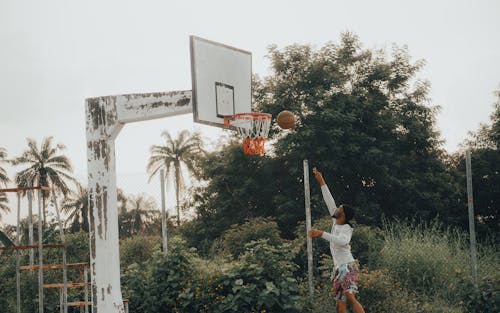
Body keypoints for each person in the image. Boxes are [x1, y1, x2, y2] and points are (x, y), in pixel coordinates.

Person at [307, 167, 365, 313]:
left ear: (343, 214)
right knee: (340, 304)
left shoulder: (346, 228)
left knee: (350, 297)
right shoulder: (336, 222)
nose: (336, 208)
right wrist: (321, 180)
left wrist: (321, 234)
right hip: (338, 268)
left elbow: (342, 241)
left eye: (339, 207)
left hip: (347, 266)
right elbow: (329, 199)